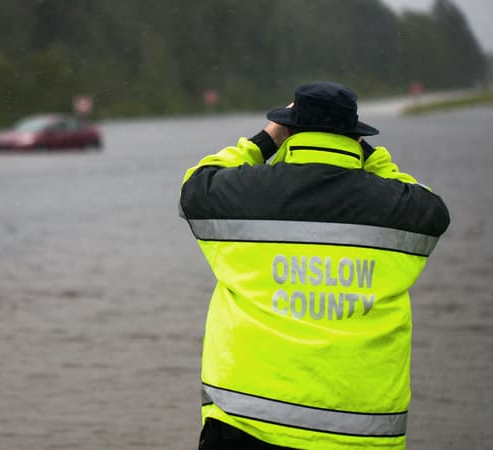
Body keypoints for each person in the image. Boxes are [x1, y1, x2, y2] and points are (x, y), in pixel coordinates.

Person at [179, 81, 450, 449]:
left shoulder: (244, 193)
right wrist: (368, 156)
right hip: (359, 436)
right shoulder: (399, 210)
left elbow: (195, 187)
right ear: (354, 137)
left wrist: (264, 140)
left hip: (244, 424)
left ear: (288, 130)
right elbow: (433, 209)